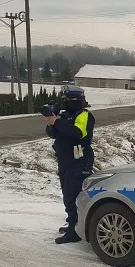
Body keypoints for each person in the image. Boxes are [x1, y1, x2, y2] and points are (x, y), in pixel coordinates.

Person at [45, 85, 95, 244]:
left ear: (78, 100)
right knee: (67, 194)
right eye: (64, 99)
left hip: (79, 160)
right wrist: (51, 121)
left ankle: (75, 230)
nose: (65, 102)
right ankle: (73, 223)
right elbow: (52, 133)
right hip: (65, 159)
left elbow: (78, 133)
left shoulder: (84, 115)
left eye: (68, 100)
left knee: (73, 193)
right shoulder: (65, 116)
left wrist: (58, 123)